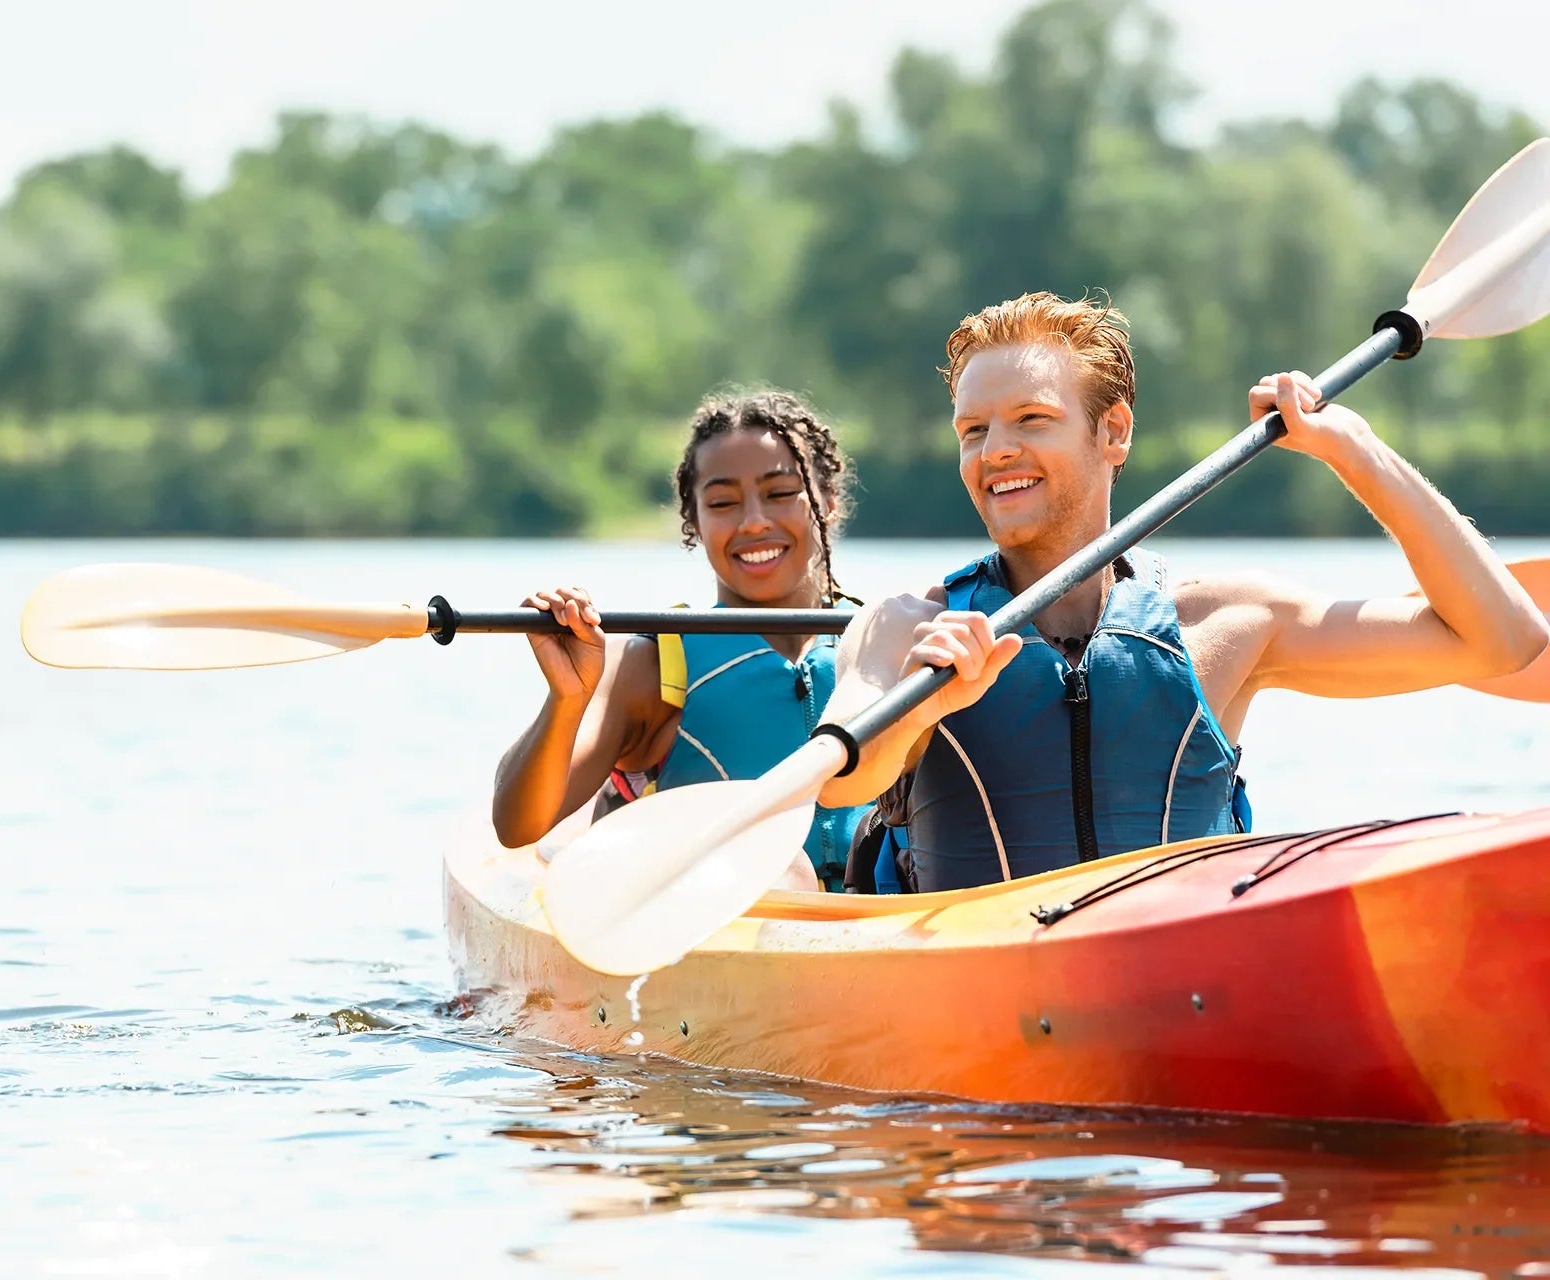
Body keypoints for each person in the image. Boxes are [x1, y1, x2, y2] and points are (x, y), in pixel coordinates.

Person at [819, 291, 1549, 893]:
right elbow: (840, 782)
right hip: (972, 998)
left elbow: (1504, 641)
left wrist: (1355, 450)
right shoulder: (908, 626)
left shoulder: (1228, 619)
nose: (996, 449)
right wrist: (925, 705)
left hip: (1182, 988)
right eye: (972, 430)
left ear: (1114, 432)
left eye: (1031, 419)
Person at [492, 389, 872, 891]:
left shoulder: (882, 642)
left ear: (828, 501)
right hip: (725, 918)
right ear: (694, 521)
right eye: (722, 503)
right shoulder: (652, 663)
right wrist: (567, 699)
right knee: (785, 874)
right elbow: (517, 827)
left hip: (874, 911)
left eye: (780, 493)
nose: (754, 521)